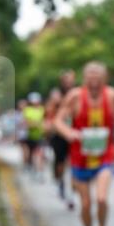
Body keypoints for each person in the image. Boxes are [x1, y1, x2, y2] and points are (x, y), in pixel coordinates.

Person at [54, 62, 114, 226]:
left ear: (104, 78)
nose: (94, 81)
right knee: (85, 204)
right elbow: (58, 120)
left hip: (105, 154)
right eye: (90, 77)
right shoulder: (75, 96)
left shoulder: (112, 95)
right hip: (80, 157)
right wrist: (70, 133)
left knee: (101, 199)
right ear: (84, 79)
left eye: (98, 77)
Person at [45, 70, 76, 209]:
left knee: (73, 162)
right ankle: (60, 182)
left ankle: (72, 191)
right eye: (66, 80)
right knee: (60, 162)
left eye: (71, 79)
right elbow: (49, 111)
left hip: (74, 133)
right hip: (59, 134)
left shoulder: (77, 93)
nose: (69, 82)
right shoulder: (56, 94)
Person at [22, 92, 46, 178]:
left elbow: (45, 123)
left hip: (40, 137)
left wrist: (37, 124)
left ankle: (40, 172)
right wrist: (37, 124)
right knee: (31, 155)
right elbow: (26, 123)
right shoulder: (27, 110)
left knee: (40, 154)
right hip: (30, 136)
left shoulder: (42, 109)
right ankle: (32, 167)